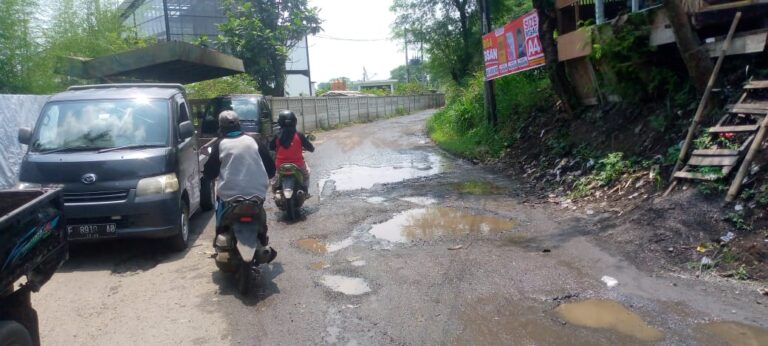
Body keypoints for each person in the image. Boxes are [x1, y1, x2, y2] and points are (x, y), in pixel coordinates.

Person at [204, 110, 277, 261]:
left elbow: (210, 173)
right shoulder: (254, 141)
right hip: (257, 194)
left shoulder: (220, 144)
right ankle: (262, 237)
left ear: (220, 127)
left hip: (230, 197)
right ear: (239, 124)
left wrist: (207, 175)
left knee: (219, 203)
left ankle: (219, 235)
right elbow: (271, 168)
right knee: (260, 210)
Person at [269, 110, 314, 194]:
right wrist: (309, 148)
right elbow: (311, 148)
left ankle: (275, 191)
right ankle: (305, 190)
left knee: (275, 178)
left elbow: (271, 147)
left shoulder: (277, 136)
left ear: (280, 122)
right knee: (306, 174)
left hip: (280, 166)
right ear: (294, 121)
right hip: (298, 165)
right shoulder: (299, 135)